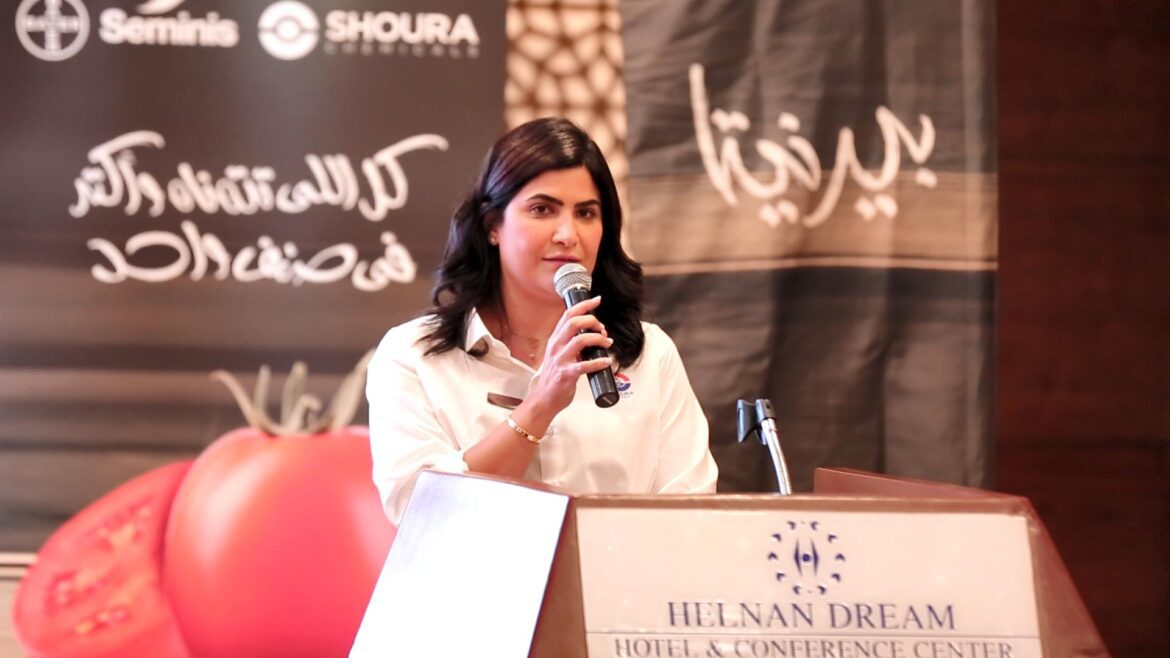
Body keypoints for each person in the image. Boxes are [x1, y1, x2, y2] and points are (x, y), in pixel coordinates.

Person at [366, 118, 717, 523]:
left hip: (617, 566)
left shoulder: (649, 355)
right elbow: (417, 512)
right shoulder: (413, 356)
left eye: (586, 213)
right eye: (542, 209)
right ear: (493, 226)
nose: (568, 234)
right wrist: (540, 406)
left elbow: (691, 511)